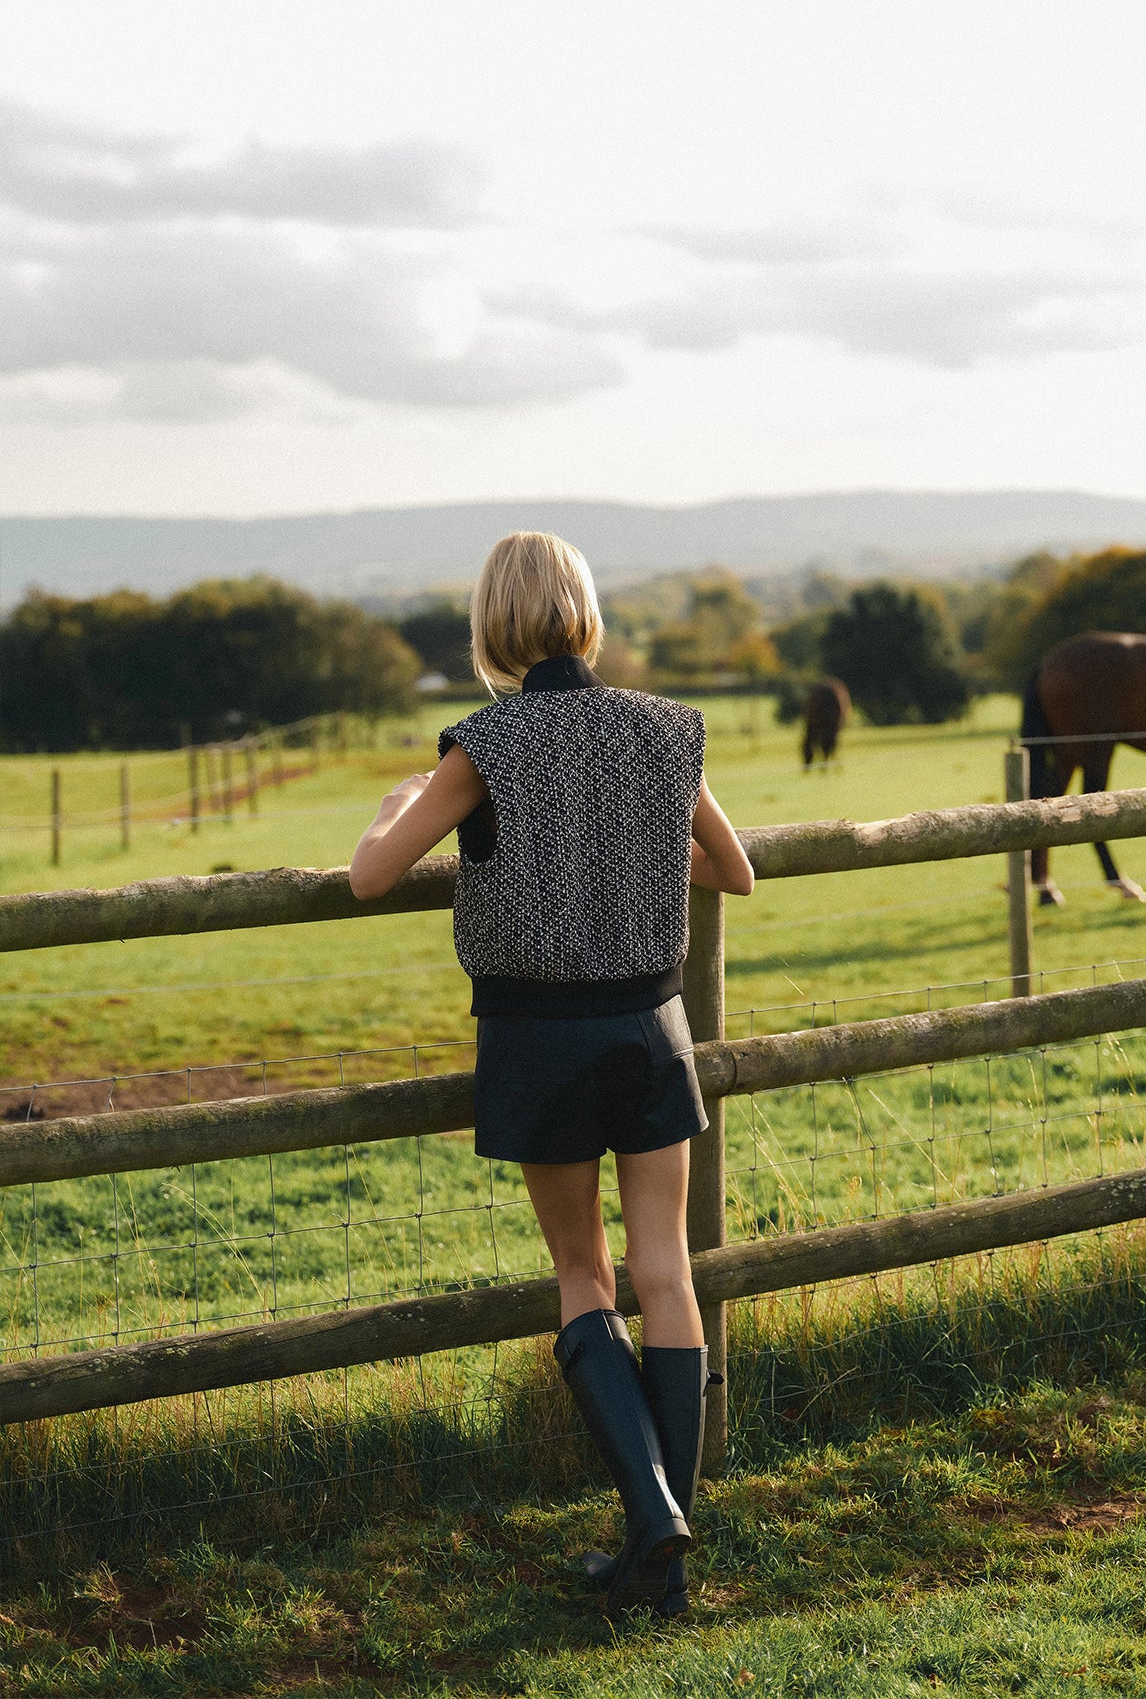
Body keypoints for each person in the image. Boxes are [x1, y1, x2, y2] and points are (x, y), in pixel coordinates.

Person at [349, 531, 753, 1614]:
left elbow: (370, 873)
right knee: (666, 1269)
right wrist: (638, 849)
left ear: (492, 627)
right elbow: (737, 870)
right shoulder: (668, 731)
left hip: (541, 1039)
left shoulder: (483, 743)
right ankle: (663, 1556)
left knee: (585, 1274)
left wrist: (399, 804)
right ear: (587, 615)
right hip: (651, 1026)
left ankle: (652, 1519)